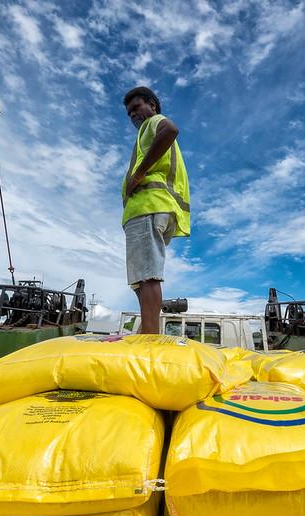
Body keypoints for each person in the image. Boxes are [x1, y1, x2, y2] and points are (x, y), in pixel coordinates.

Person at [121, 87, 190, 334]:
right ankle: (146, 330)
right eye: (129, 114)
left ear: (152, 105)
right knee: (141, 277)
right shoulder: (144, 136)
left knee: (148, 275)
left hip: (150, 205)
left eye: (136, 108)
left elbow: (170, 130)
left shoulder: (154, 122)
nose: (133, 116)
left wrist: (138, 174)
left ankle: (150, 337)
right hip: (147, 209)